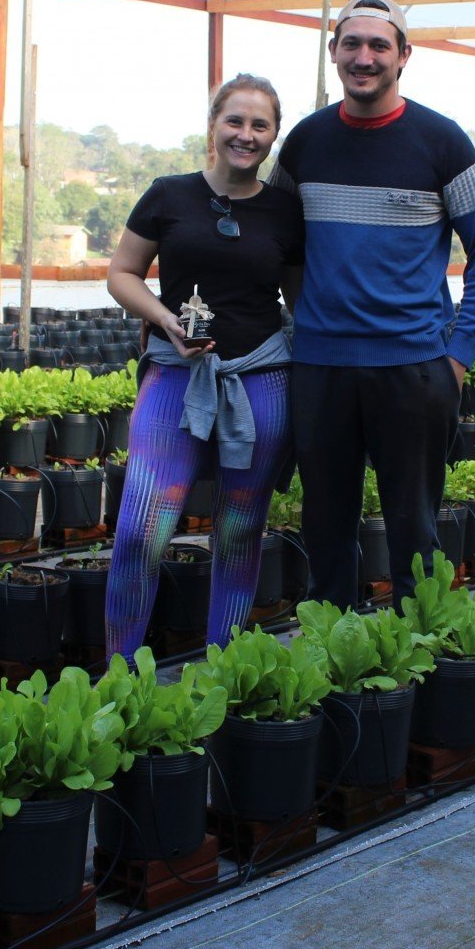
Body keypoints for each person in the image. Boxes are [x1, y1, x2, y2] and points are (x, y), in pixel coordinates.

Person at [270, 0, 475, 605]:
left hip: (413, 367)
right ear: (334, 53)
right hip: (321, 368)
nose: (365, 57)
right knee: (324, 524)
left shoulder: (443, 143)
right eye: (352, 44)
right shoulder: (304, 143)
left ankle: (415, 654)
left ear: (404, 56)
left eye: (379, 45)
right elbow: (280, 245)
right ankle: (331, 651)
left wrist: (456, 360)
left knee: (415, 529)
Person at [101, 74, 302, 658]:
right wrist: (165, 321)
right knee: (140, 532)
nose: (245, 134)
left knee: (240, 536)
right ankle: (119, 678)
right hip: (174, 378)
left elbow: (300, 297)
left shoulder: (285, 212)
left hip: (261, 381)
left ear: (272, 137)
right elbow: (122, 273)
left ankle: (224, 675)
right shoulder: (170, 194)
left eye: (259, 125)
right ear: (213, 125)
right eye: (234, 121)